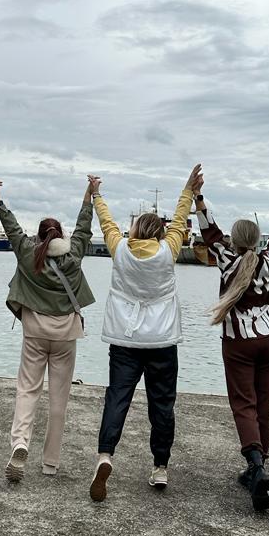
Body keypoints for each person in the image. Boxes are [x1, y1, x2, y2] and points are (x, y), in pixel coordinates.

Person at [196, 176, 269, 511]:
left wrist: (197, 196)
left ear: (234, 241)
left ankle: (255, 465)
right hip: (268, 340)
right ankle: (257, 465)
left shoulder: (226, 259)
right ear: (256, 240)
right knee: (263, 403)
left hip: (238, 343)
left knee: (243, 403)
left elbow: (209, 230)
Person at [88, 165, 203, 502]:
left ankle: (105, 456)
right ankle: (160, 467)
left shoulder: (120, 249)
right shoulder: (168, 251)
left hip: (125, 340)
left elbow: (106, 222)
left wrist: (96, 194)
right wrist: (187, 191)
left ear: (136, 230)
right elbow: (180, 219)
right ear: (159, 233)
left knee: (117, 398)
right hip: (162, 340)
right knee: (162, 405)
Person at [0, 180, 95, 481]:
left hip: (35, 331)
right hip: (66, 334)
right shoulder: (74, 255)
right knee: (59, 398)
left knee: (27, 389)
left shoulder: (28, 253)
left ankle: (20, 443)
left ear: (39, 236)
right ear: (60, 235)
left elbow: (12, 228)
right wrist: (88, 196)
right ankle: (50, 463)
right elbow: (83, 229)